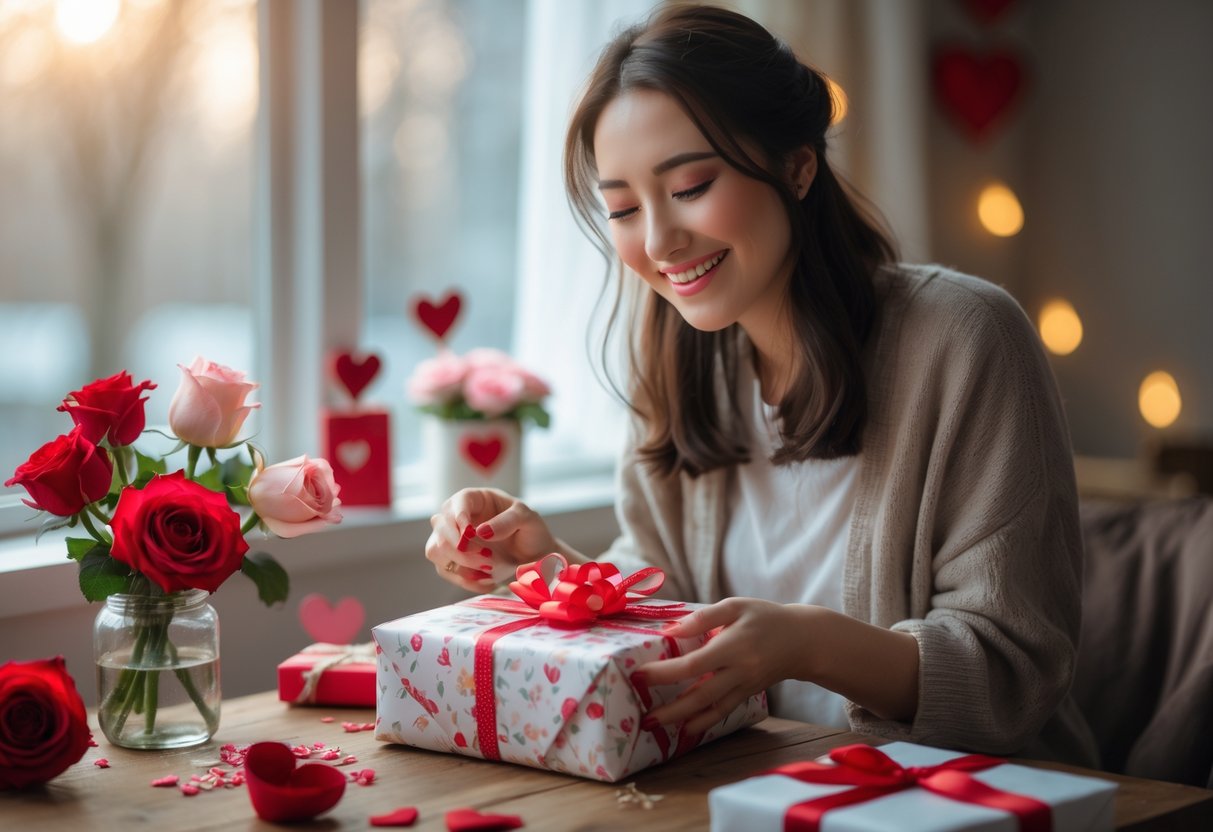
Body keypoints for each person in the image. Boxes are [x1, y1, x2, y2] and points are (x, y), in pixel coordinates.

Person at [425, 4, 1097, 766]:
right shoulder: (680, 363)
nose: (656, 242)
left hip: (973, 798)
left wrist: (807, 644)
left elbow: (1013, 675)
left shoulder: (966, 337)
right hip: (757, 791)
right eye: (621, 208)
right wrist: (549, 569)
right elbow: (667, 606)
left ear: (797, 165)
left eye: (690, 186)